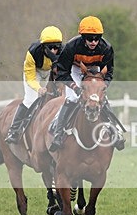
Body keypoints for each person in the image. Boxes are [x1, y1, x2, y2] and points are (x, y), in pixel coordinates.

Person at [49, 15, 124, 152]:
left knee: (102, 99)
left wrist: (103, 86)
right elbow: (62, 72)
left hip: (95, 71)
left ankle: (115, 132)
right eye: (90, 38)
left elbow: (109, 72)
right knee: (72, 98)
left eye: (97, 38)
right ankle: (58, 134)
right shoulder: (71, 47)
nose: (94, 42)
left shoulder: (106, 48)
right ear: (83, 37)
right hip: (75, 69)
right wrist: (74, 87)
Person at [5, 25, 63, 143]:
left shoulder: (64, 51)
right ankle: (14, 130)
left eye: (56, 47)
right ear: (43, 46)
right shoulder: (32, 53)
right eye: (50, 47)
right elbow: (30, 78)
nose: (53, 51)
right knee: (30, 99)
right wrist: (38, 88)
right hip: (34, 72)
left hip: (49, 72)